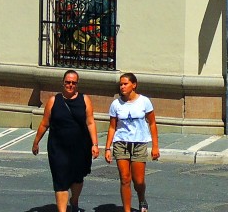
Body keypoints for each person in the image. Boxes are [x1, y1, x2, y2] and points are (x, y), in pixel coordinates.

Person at [32, 69, 99, 212]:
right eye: (68, 82)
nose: (70, 85)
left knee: (77, 178)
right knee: (60, 180)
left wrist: (95, 144)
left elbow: (90, 122)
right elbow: (44, 123)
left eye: (74, 83)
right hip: (58, 148)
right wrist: (36, 142)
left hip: (80, 147)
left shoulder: (84, 99)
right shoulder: (53, 101)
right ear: (63, 83)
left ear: (77, 84)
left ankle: (74, 200)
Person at [105, 72, 159, 212]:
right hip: (121, 143)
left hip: (139, 143)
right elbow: (112, 127)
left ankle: (142, 198)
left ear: (134, 85)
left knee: (138, 181)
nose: (122, 87)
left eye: (125, 84)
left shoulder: (144, 101)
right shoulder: (116, 104)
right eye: (121, 84)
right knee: (125, 179)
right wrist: (107, 148)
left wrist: (155, 146)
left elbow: (152, 123)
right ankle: (127, 209)